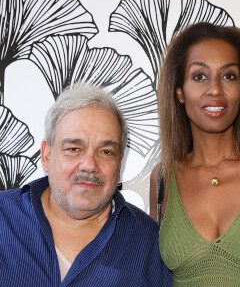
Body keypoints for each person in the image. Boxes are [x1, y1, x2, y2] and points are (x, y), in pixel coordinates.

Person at [150, 22, 240, 286]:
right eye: (199, 76)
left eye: (228, 76)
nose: (215, 89)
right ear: (179, 92)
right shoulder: (163, 178)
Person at [0, 84, 172, 286]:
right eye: (74, 148)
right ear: (47, 155)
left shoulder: (150, 243)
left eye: (106, 151)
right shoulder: (4, 216)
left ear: (119, 163)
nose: (89, 165)